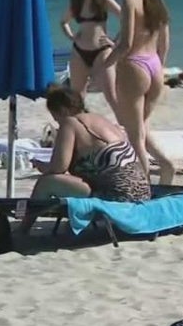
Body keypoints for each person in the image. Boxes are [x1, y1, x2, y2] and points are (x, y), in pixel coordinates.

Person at [22, 86, 152, 234]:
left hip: (118, 197)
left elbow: (59, 168)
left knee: (46, 182)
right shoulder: (100, 120)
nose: (57, 122)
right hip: (142, 194)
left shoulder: (70, 123)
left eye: (55, 117)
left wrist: (42, 167)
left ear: (62, 111)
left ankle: (22, 229)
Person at [102, 0, 175, 184]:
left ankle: (143, 185)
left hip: (134, 65)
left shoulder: (130, 1)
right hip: (154, 65)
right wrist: (159, 67)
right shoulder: (155, 0)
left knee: (135, 137)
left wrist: (105, 65)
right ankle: (166, 166)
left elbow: (126, 43)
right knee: (140, 128)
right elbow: (165, 42)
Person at [60, 0, 121, 110]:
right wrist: (71, 36)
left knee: (111, 95)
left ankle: (128, 127)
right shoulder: (77, 1)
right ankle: (81, 128)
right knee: (77, 96)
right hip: (79, 52)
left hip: (102, 51)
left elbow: (125, 18)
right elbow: (63, 22)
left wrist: (114, 41)